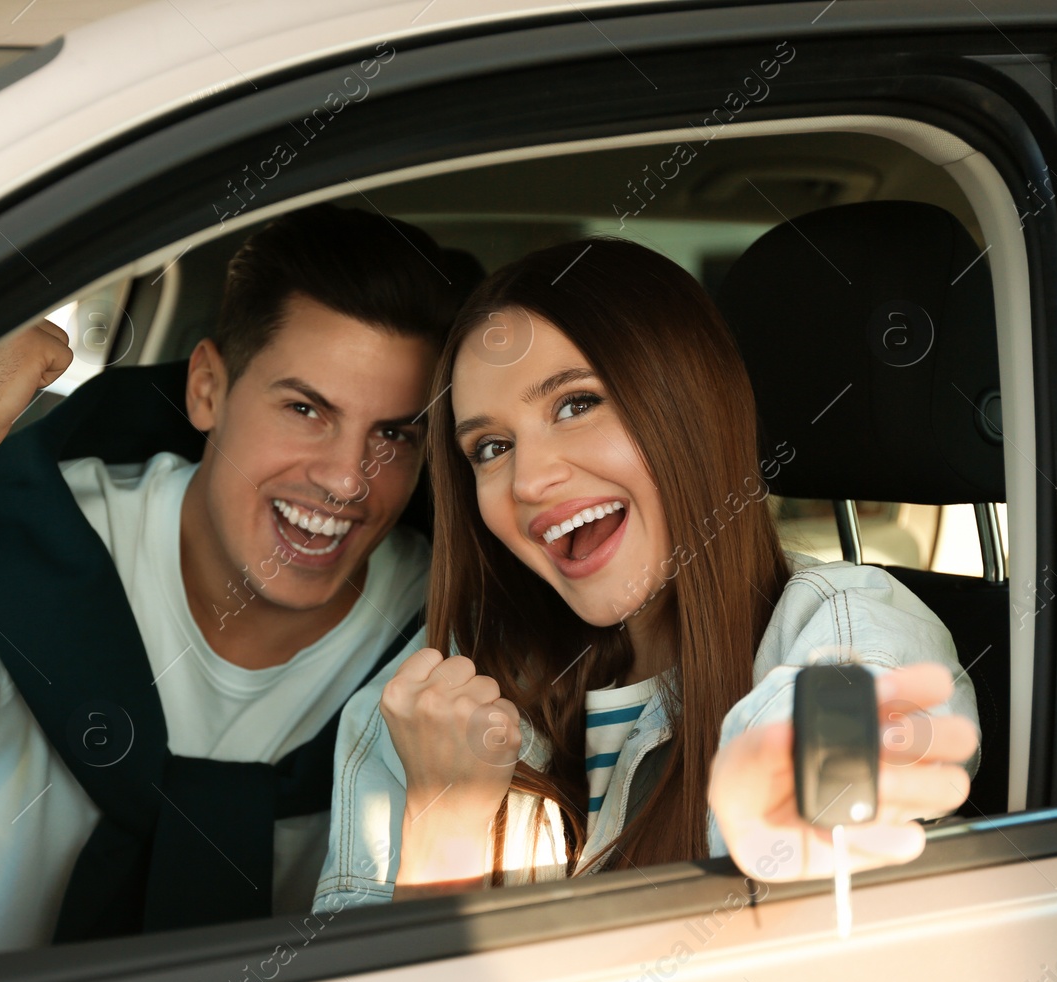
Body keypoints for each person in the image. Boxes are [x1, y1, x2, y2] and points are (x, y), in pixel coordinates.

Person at [0, 205, 478, 958]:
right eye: (306, 409)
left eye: (395, 434)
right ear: (208, 388)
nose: (348, 478)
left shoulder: (448, 636)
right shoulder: (43, 544)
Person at [313, 236, 980, 909]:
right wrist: (445, 825)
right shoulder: (427, 708)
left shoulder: (837, 621)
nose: (530, 479)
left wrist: (801, 799)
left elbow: (852, 711)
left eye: (576, 404)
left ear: (690, 402)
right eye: (491, 446)